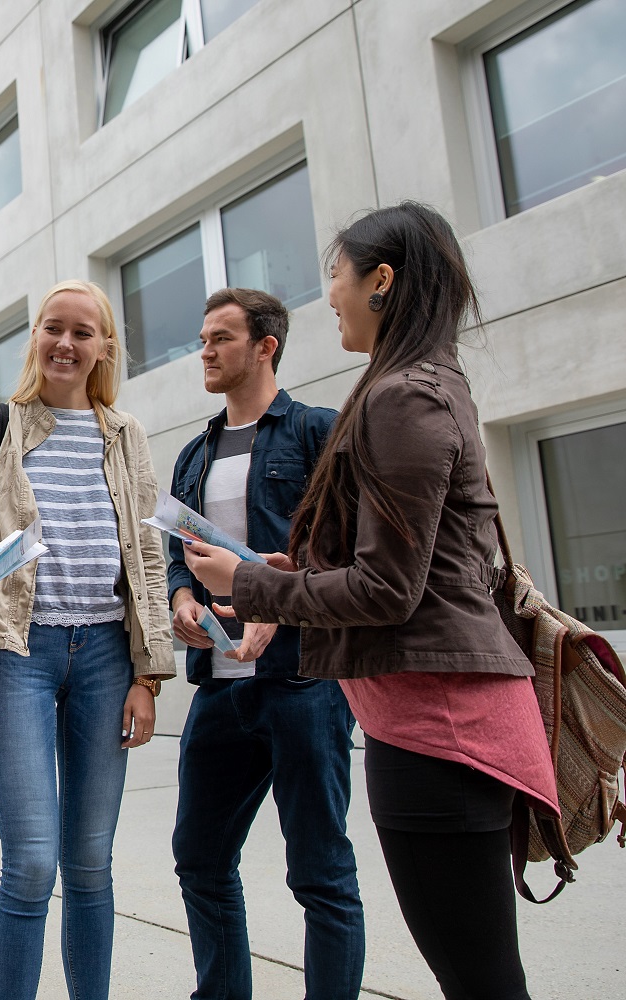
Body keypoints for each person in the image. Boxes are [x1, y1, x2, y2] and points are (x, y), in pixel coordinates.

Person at [182, 203, 559, 1000]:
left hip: (439, 729)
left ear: (381, 281)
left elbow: (389, 588)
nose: (331, 297)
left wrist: (249, 584)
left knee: (479, 977)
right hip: (429, 718)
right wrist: (296, 569)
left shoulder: (400, 397)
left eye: (338, 276)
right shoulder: (425, 382)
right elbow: (398, 560)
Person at [0, 279, 175, 1000]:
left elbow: (148, 557)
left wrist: (148, 675)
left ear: (104, 346)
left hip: (106, 656)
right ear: (35, 337)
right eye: (53, 328)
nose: (66, 343)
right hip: (16, 656)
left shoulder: (124, 433)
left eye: (83, 331)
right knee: (33, 863)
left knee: (92, 865)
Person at [168, 287, 364, 1000]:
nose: (205, 351)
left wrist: (275, 596)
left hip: (302, 685)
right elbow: (174, 557)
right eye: (203, 338)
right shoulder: (194, 452)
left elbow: (351, 552)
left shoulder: (317, 432)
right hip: (218, 687)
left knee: (320, 871)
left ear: (265, 345)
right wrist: (184, 600)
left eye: (220, 337)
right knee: (199, 858)